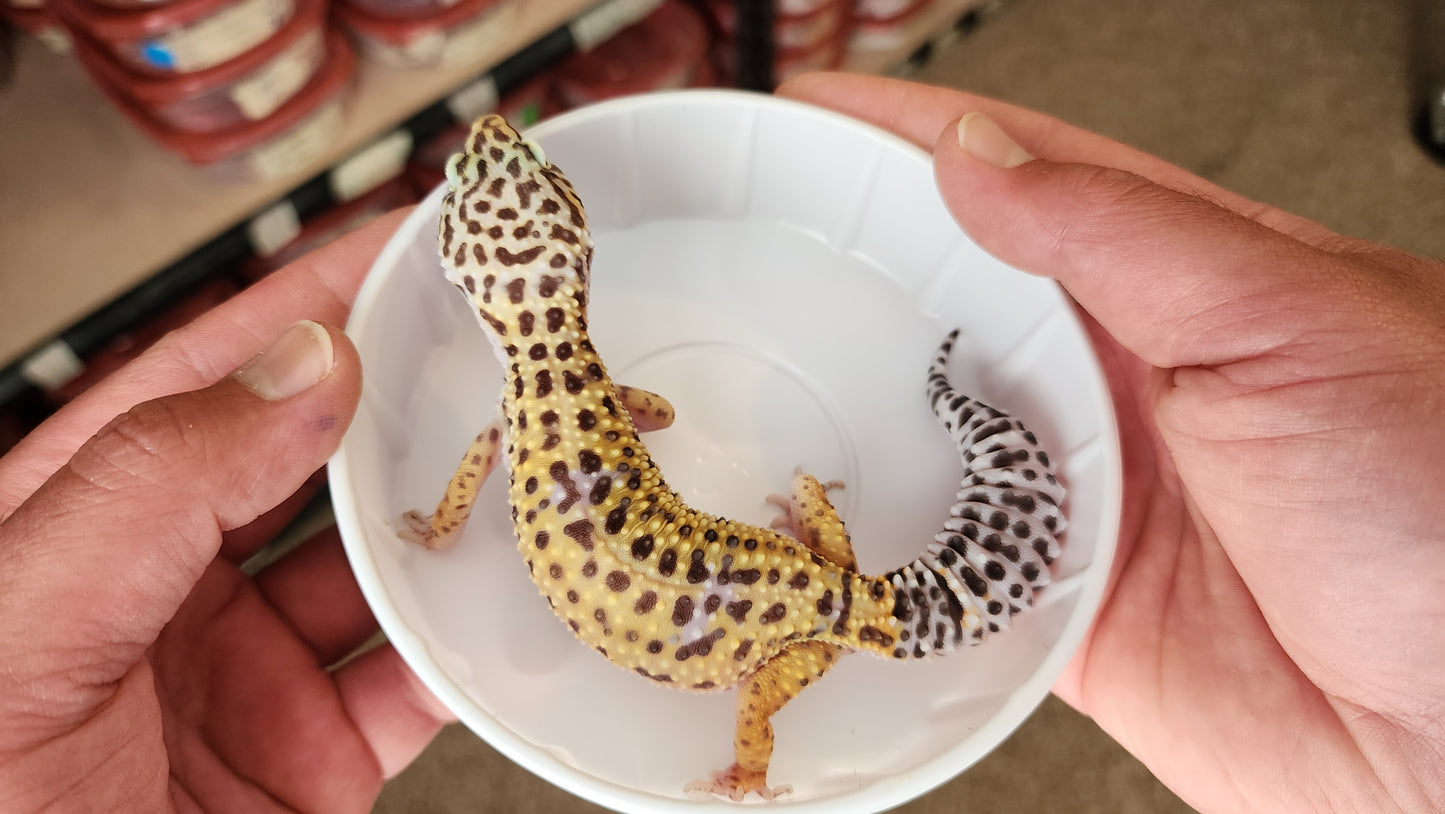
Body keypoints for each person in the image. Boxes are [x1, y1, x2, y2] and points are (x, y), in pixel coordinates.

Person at [0, 72, 1440, 812]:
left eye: (499, 177)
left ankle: (766, 728)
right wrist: (789, 555)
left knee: (777, 657)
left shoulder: (523, 397)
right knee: (790, 634)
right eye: (495, 178)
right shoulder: (567, 377)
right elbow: (623, 415)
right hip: (779, 587)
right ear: (548, 259)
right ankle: (793, 679)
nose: (495, 154)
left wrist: (444, 528)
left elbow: (523, 454)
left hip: (771, 590)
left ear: (511, 276)